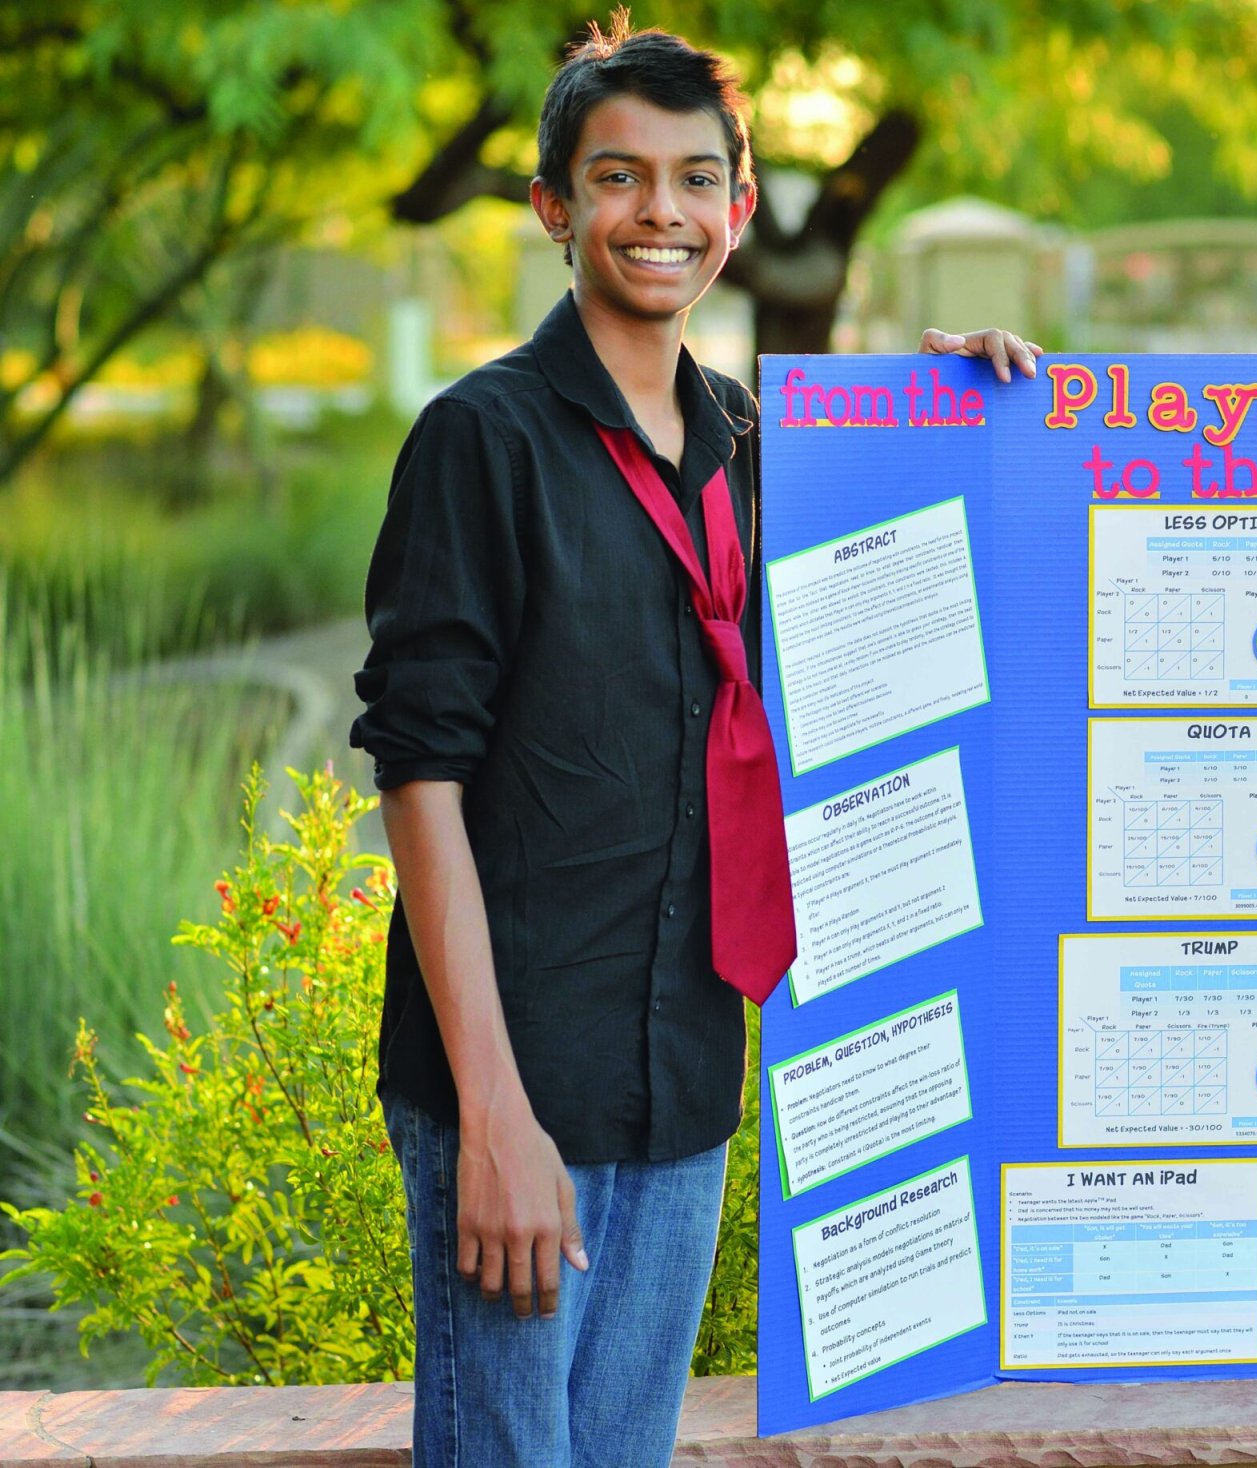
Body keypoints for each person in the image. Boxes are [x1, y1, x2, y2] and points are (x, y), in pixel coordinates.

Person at [349, 15, 1040, 1466]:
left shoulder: (745, 441)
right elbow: (420, 777)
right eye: (618, 176)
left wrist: (964, 411)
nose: (659, 210)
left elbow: (899, 610)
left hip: (684, 1067)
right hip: (523, 1077)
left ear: (737, 207)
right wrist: (491, 1115)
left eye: (695, 177)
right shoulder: (484, 440)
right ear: (555, 207)